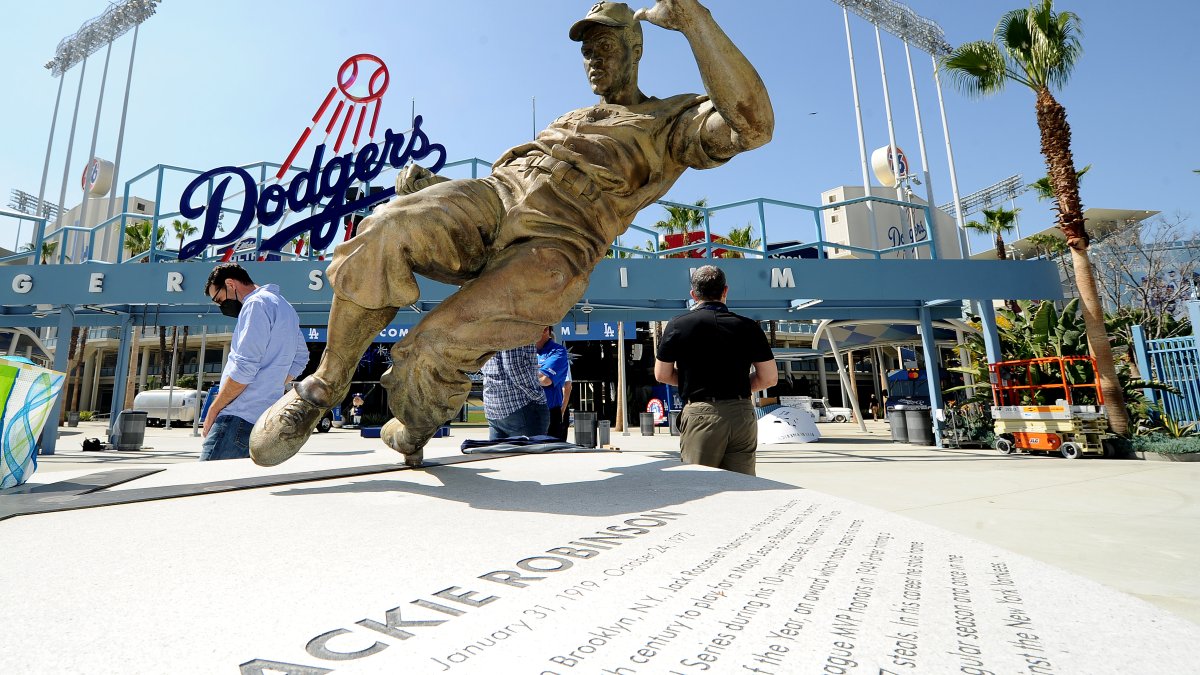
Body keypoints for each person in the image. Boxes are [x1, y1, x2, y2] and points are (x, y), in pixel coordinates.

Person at [251, 0, 774, 468]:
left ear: (636, 48)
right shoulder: (571, 117)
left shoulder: (668, 120)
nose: (592, 57)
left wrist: (694, 20)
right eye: (586, 49)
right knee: (384, 227)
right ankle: (323, 384)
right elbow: (520, 177)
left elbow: (753, 127)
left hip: (559, 241)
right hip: (494, 197)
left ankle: (414, 422)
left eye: (605, 46)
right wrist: (436, 188)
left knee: (434, 344)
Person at [654, 265, 777, 475]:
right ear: (725, 291)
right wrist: (733, 386)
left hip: (701, 414)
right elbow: (769, 378)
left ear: (693, 295)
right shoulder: (749, 327)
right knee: (744, 486)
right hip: (742, 414)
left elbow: (662, 374)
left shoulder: (677, 325)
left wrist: (692, 382)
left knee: (700, 485)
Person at [201, 264, 309, 461]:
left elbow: (244, 368)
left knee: (205, 487)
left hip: (236, 416)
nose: (220, 305)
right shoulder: (285, 307)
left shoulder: (255, 304)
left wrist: (214, 409)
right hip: (263, 422)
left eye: (218, 299)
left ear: (230, 284)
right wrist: (270, 383)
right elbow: (301, 358)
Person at [481, 345, 548, 439]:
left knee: (498, 453)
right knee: (528, 452)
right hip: (520, 405)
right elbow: (514, 366)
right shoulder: (518, 330)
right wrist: (538, 395)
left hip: (493, 406)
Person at [537, 326, 571, 441]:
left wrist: (562, 411)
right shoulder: (526, 351)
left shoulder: (558, 352)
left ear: (546, 330)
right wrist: (538, 370)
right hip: (528, 412)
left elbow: (546, 380)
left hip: (550, 412)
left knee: (551, 454)